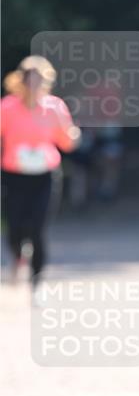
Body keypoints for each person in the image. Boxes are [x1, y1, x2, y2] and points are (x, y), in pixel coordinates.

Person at [1, 56, 80, 295]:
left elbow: (67, 142)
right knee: (14, 228)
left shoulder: (54, 107)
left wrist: (73, 135)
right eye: (30, 79)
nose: (34, 84)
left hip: (44, 175)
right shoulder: (7, 107)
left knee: (38, 228)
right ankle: (18, 254)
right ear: (22, 81)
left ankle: (37, 281)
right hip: (14, 175)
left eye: (39, 79)